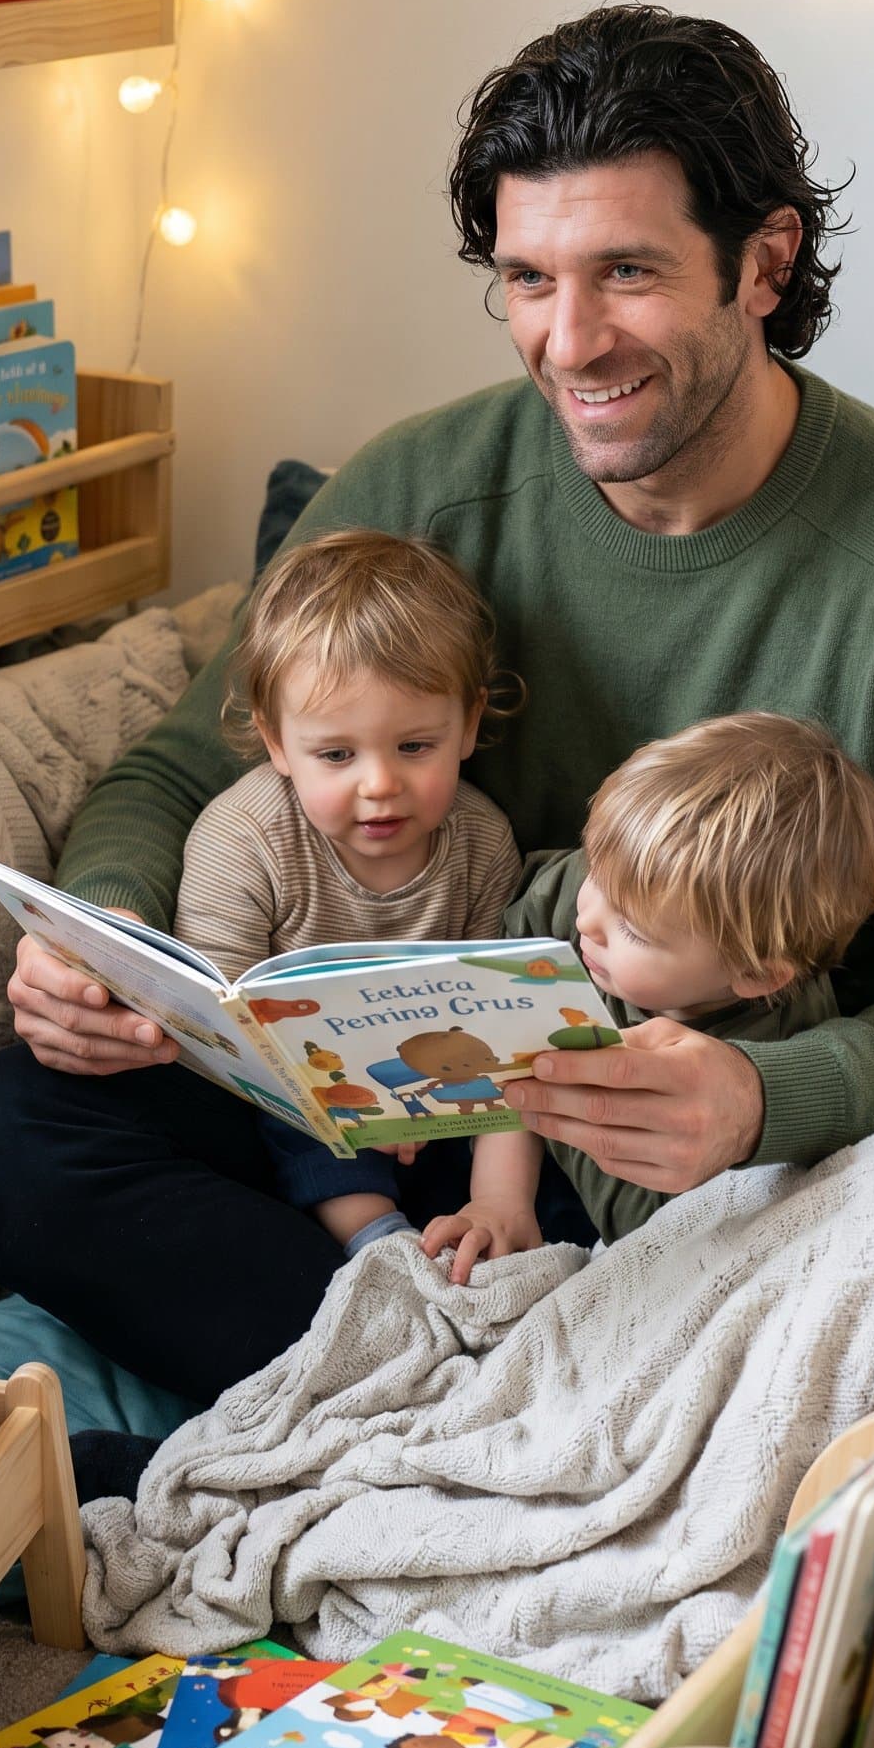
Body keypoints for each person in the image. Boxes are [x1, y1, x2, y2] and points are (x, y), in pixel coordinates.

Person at [0, 3, 874, 1425]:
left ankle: (447, 1410)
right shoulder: (423, 486)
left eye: (627, 273)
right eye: (528, 279)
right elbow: (177, 771)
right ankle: (456, 1406)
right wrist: (98, 942)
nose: (570, 340)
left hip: (669, 1163)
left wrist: (754, 1100)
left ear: (763, 263)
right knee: (2, 1138)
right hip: (370, 1116)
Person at [175, 524, 584, 1261]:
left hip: (446, 1086)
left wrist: (492, 1187)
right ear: (276, 744)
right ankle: (377, 1247)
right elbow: (219, 1035)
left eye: (415, 746)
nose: (380, 784)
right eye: (335, 755)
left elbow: (509, 1032)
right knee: (299, 1129)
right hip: (300, 1095)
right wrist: (360, 1108)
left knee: (547, 1129)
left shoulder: (482, 841)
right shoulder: (242, 839)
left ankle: (514, 1237)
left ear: (468, 724)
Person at [422, 711, 874, 1284]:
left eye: (634, 930)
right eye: (594, 870)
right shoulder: (572, 902)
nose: (588, 920)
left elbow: (662, 1231)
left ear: (754, 975)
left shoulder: (773, 1052)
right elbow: (506, 1054)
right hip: (507, 1157)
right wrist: (499, 1200)